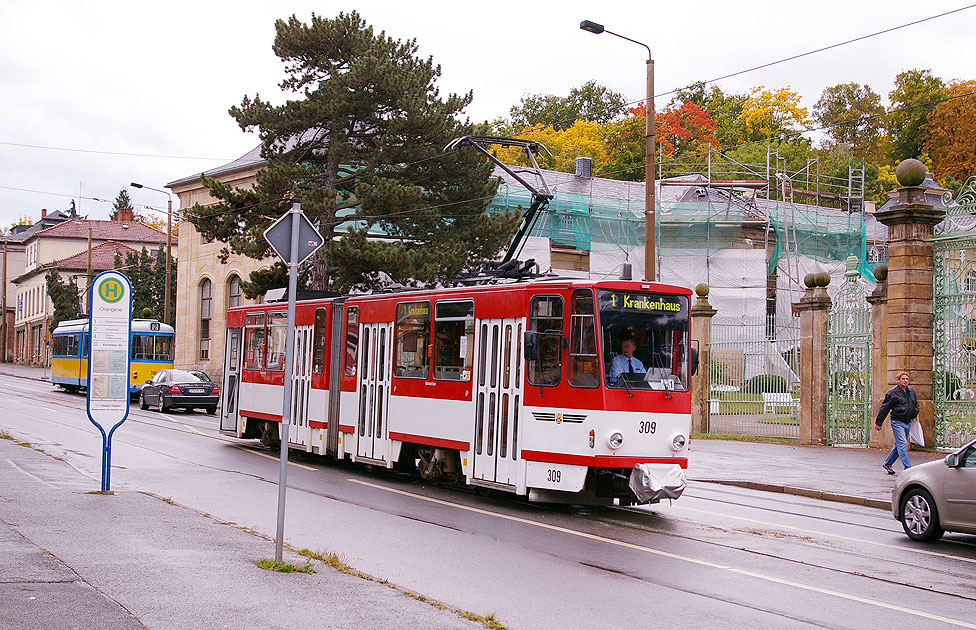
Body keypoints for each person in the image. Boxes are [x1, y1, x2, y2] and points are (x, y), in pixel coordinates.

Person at [873, 371, 919, 474]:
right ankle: (908, 468)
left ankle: (888, 463)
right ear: (898, 380)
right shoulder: (892, 393)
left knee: (899, 445)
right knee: (902, 444)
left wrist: (915, 412)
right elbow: (884, 408)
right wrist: (878, 422)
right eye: (903, 379)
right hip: (897, 421)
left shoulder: (911, 391)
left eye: (907, 379)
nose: (905, 381)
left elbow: (915, 404)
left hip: (908, 421)